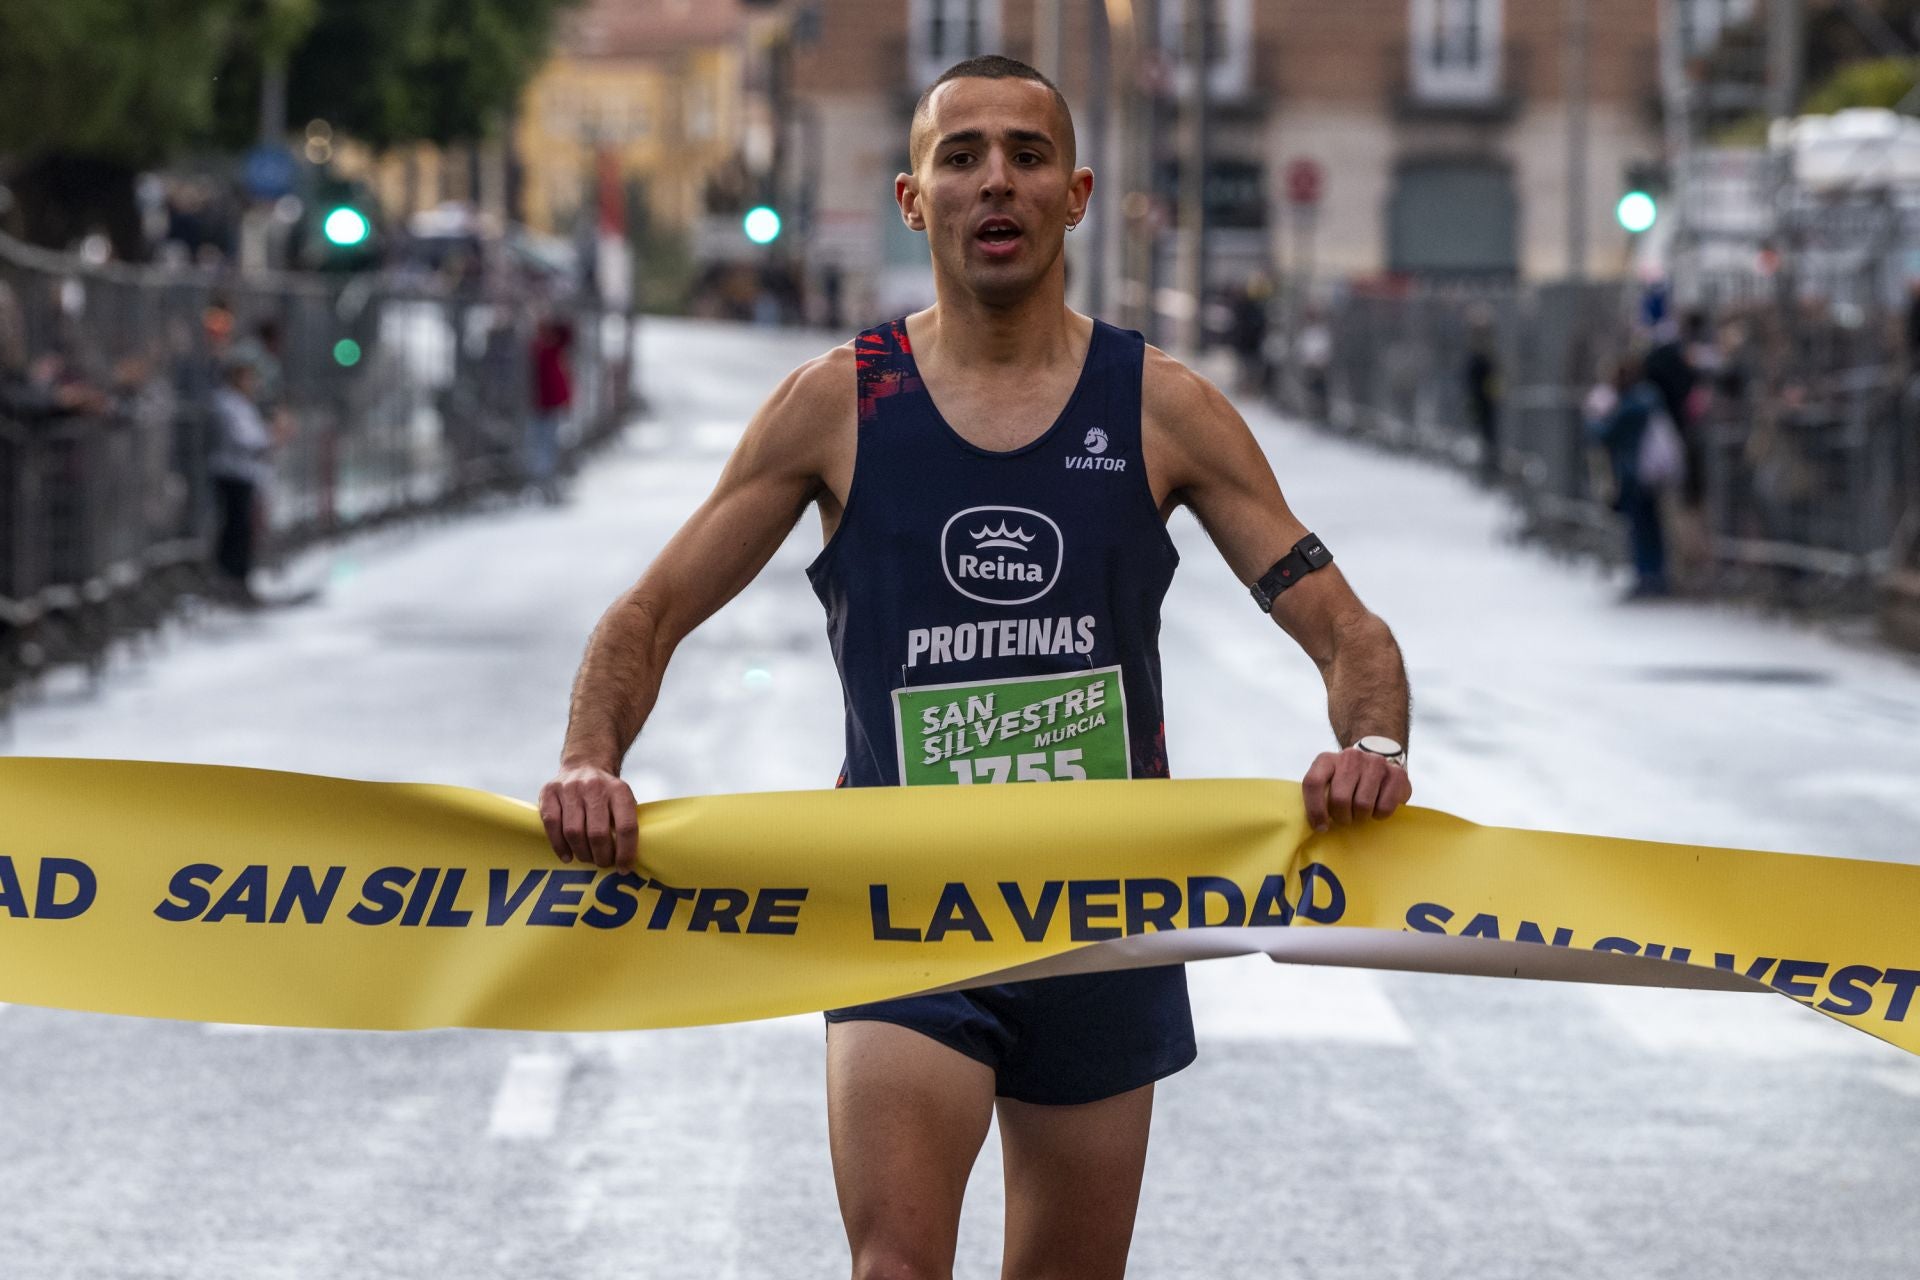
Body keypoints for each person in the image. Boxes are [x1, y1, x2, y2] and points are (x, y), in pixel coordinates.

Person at [539, 56, 1413, 1280]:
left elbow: (1349, 631)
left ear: (1076, 194)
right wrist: (590, 759)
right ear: (914, 199)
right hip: (903, 906)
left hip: (1103, 919)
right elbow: (649, 612)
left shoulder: (1161, 407)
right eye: (962, 156)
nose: (995, 179)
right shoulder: (837, 404)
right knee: (895, 1264)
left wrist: (1371, 745)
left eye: (1026, 153)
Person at [1589, 355, 1669, 599]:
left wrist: (1593, 418)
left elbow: (1607, 433)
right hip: (1650, 471)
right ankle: (1654, 574)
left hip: (1634, 471)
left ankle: (1647, 575)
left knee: (1641, 526)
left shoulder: (1632, 405)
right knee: (1650, 525)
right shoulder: (1650, 398)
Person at [207, 357, 274, 604]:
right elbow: (246, 439)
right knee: (235, 529)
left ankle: (238, 579)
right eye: (249, 378)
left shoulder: (241, 404)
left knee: (242, 529)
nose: (253, 384)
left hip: (244, 473)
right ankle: (230, 579)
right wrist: (271, 437)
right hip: (231, 473)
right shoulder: (228, 404)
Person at [526, 315, 573, 503]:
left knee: (549, 446)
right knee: (542, 447)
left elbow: (568, 334)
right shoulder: (540, 351)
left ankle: (548, 484)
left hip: (551, 407)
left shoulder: (553, 351)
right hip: (541, 408)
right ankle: (542, 484)